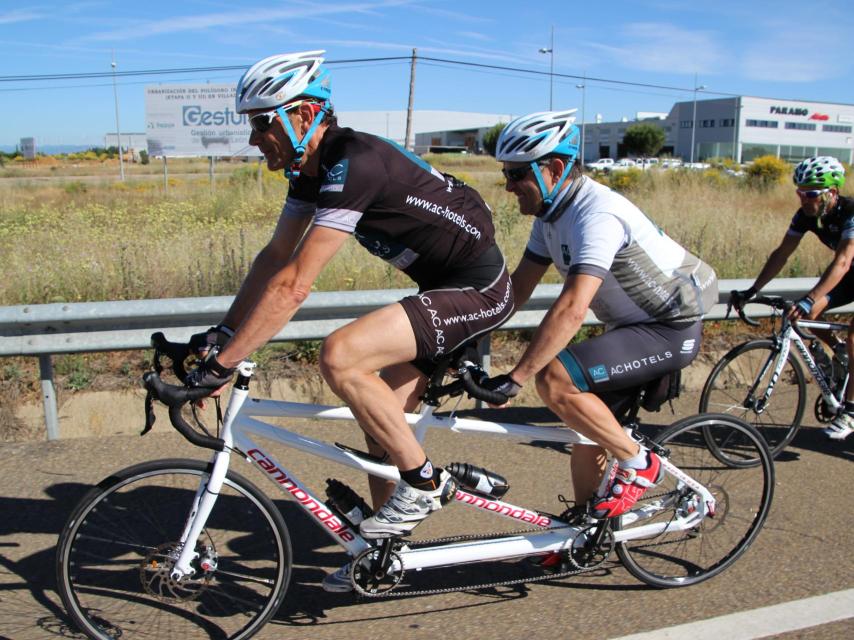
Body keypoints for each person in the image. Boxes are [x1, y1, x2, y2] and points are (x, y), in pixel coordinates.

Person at [186, 51, 515, 590]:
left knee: (341, 355)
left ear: (304, 114)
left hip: (477, 289)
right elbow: (275, 260)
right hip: (440, 288)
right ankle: (386, 554)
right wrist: (225, 335)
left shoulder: (354, 160)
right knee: (381, 418)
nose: (253, 139)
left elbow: (295, 284)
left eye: (263, 123)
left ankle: (426, 484)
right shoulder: (309, 173)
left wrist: (225, 364)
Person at [483, 109, 718, 520]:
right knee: (586, 430)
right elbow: (518, 289)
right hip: (630, 327)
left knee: (554, 379)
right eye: (506, 174)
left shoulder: (597, 215)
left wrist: (515, 378)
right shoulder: (550, 215)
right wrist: (463, 335)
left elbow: (573, 309)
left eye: (517, 174)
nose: (508, 186)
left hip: (667, 329)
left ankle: (639, 462)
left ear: (554, 168)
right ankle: (585, 524)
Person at [733, 156, 853, 440]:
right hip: (850, 277)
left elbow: (844, 261)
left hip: (848, 267)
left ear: (831, 193)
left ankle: (850, 410)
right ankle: (841, 359)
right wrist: (753, 290)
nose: (803, 198)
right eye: (800, 191)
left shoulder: (851, 212)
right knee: (806, 318)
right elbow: (782, 254)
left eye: (810, 193)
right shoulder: (806, 216)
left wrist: (810, 297)